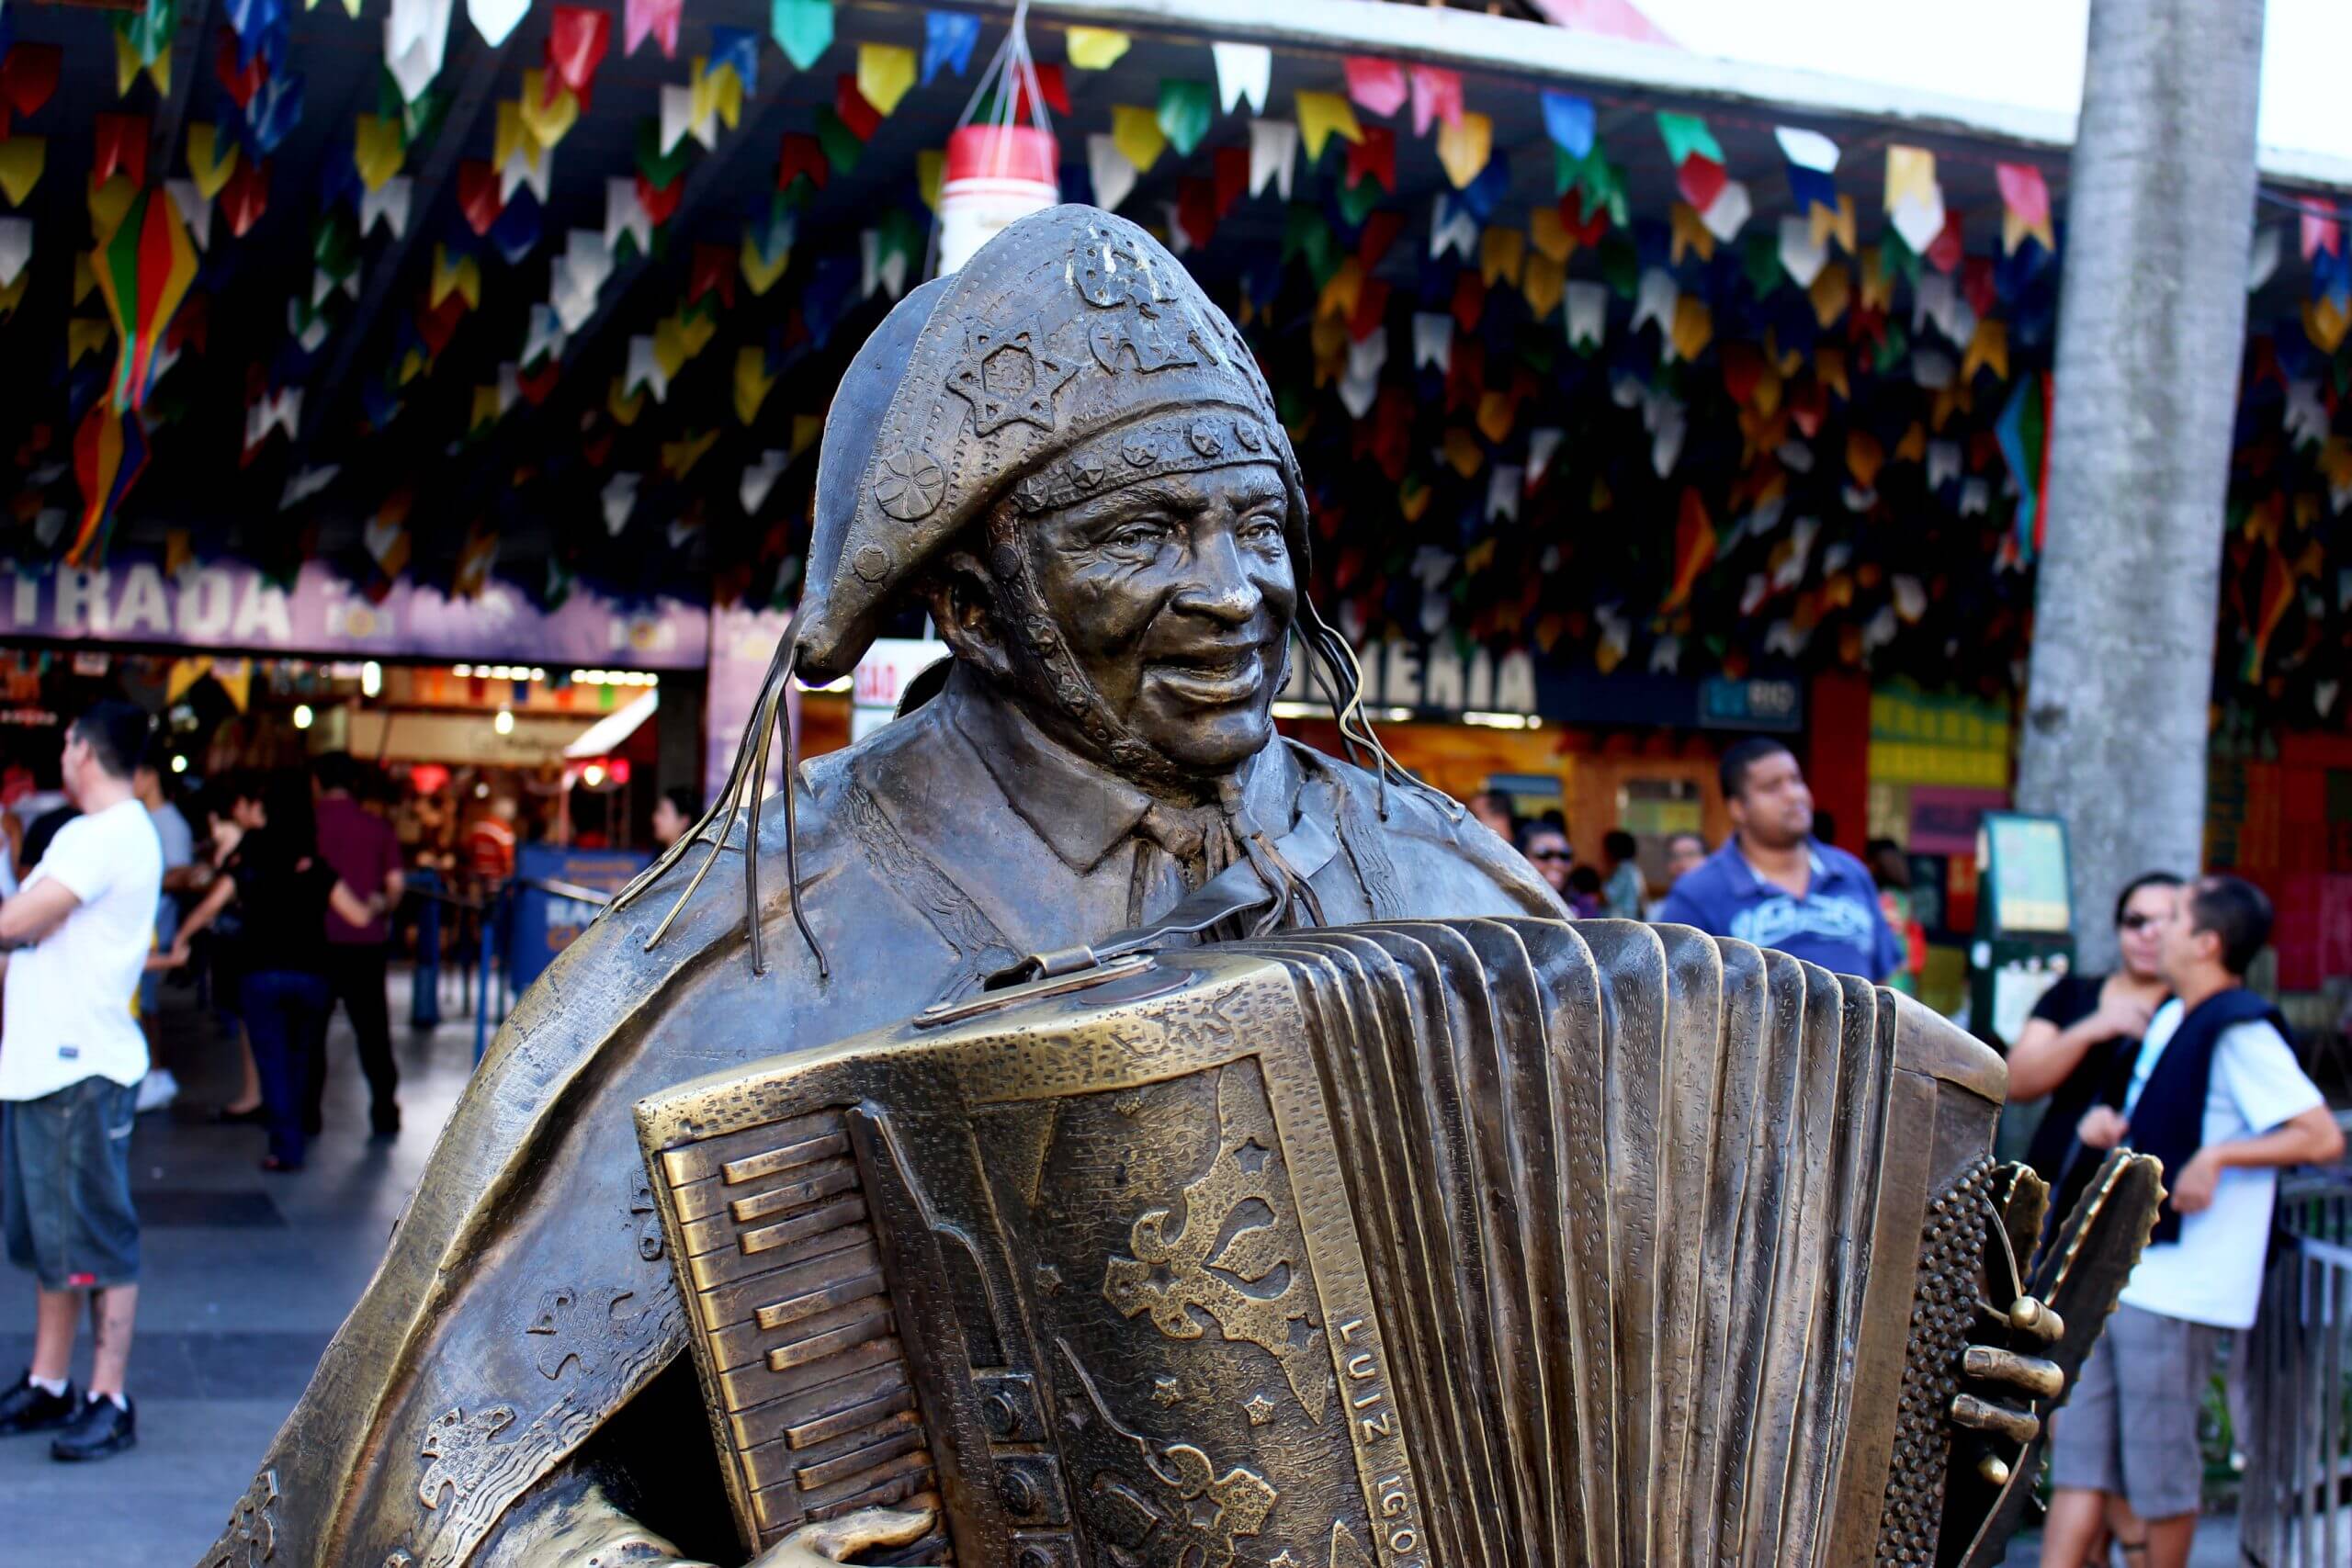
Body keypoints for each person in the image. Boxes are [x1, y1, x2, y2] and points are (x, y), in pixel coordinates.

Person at [199, 206, 1566, 1568]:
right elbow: (447, 1477)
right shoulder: (755, 933)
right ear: (973, 608)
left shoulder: (1444, 880)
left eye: (1255, 524)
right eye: (1145, 530)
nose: (1233, 592)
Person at [2042, 875, 2345, 1568]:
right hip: (2127, 1277)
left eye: (2172, 916)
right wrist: (2112, 1128)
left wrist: (2221, 1153)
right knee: (2083, 1461)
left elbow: (2320, 1134)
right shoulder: (2179, 1016)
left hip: (2182, 1289)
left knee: (2159, 1473)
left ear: (2207, 942)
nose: (2157, 930)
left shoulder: (2237, 1024)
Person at [0, 702, 164, 1461]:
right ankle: (50, 1379)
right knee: (52, 1240)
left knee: (97, 1237)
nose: (60, 750)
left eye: (65, 738)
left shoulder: (114, 833)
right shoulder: (82, 832)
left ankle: (109, 1395)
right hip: (42, 1067)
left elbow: (16, 920)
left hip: (82, 1070)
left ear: (83, 750)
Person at [166, 773, 384, 1172]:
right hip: (313, 976)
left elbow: (211, 905)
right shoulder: (316, 867)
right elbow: (356, 914)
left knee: (273, 1062)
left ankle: (286, 1147)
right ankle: (296, 1132)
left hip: (261, 973)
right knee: (302, 1057)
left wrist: (181, 937)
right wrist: (378, 903)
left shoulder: (252, 859)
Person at [1655, 738, 1904, 982]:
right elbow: (1674, 999)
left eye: (1796, 780)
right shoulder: (1697, 893)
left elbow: (1884, 982)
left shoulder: (1851, 873)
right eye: (1772, 787)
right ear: (1738, 808)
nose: (1793, 795)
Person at [2007, 873, 2183, 1219]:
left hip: (2144, 1202)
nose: (2149, 934)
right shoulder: (2072, 994)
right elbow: (2015, 1082)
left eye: (2166, 922)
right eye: (2137, 921)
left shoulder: (2192, 1009)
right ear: (2118, 928)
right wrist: (2091, 1029)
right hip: (2055, 1184)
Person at [311, 753, 406, 1138]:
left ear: (317, 781)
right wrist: (380, 904)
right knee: (373, 1033)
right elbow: (396, 887)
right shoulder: (377, 827)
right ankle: (384, 1110)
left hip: (316, 943)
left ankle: (306, 1114)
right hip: (365, 945)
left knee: (311, 1034)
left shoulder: (307, 826)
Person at [130, 748, 198, 1113]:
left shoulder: (169, 823)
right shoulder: (143, 818)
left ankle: (154, 1074)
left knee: (148, 1008)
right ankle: (150, 1075)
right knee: (142, 1006)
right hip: (143, 926)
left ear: (151, 776)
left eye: (135, 773)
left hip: (156, 925)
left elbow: (182, 875)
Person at [1521, 821, 1573, 901]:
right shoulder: (1504, 907)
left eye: (1564, 856)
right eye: (1544, 855)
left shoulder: (1581, 909)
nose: (1556, 864)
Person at [1600, 828, 1645, 919]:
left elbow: (1608, 896)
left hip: (1621, 919)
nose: (1603, 854)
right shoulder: (1634, 869)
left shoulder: (1623, 870)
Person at [650, 785, 698, 849]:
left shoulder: (693, 857)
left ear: (684, 821)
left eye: (662, 812)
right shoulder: (658, 854)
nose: (655, 818)